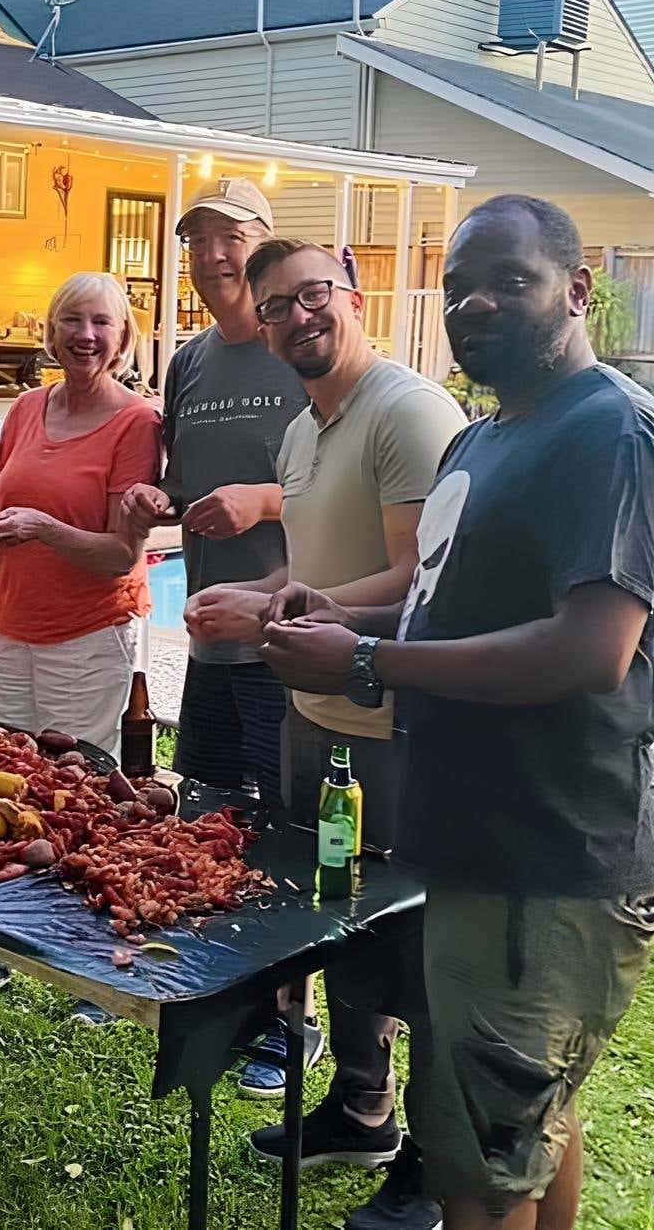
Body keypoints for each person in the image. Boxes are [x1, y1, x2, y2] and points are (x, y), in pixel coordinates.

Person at [261, 196, 654, 1230]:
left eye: (507, 280)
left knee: (475, 1170)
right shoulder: (484, 438)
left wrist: (364, 659)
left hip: (543, 861)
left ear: (576, 289)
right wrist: (333, 604)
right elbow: (436, 591)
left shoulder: (610, 434)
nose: (474, 304)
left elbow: (591, 649)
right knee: (530, 1125)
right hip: (481, 845)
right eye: (456, 288)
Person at [218, 241, 464, 1145]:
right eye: (276, 305)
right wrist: (259, 599)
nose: (297, 315)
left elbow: (420, 583)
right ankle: (363, 1104)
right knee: (331, 915)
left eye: (312, 294)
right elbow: (322, 568)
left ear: (353, 297)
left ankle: (431, 1162)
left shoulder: (405, 413)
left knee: (412, 938)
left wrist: (305, 607)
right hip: (313, 714)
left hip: (397, 724)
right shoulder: (302, 427)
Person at [0, 271, 160, 1000]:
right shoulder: (26, 409)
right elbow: (4, 511)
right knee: (0, 781)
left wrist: (39, 528)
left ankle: (88, 958)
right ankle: (2, 939)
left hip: (87, 632)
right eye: (72, 320)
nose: (86, 335)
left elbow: (120, 554)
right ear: (51, 331)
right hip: (6, 623)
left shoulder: (136, 422)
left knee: (81, 795)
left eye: (102, 322)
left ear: (124, 338)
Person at [118, 178, 306, 814]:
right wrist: (156, 497)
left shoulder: (303, 355)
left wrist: (265, 500)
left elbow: (352, 487)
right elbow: (184, 478)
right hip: (209, 635)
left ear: (266, 249)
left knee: (285, 822)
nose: (212, 256)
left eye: (232, 238)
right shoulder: (189, 361)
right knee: (207, 810)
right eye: (197, 242)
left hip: (289, 634)